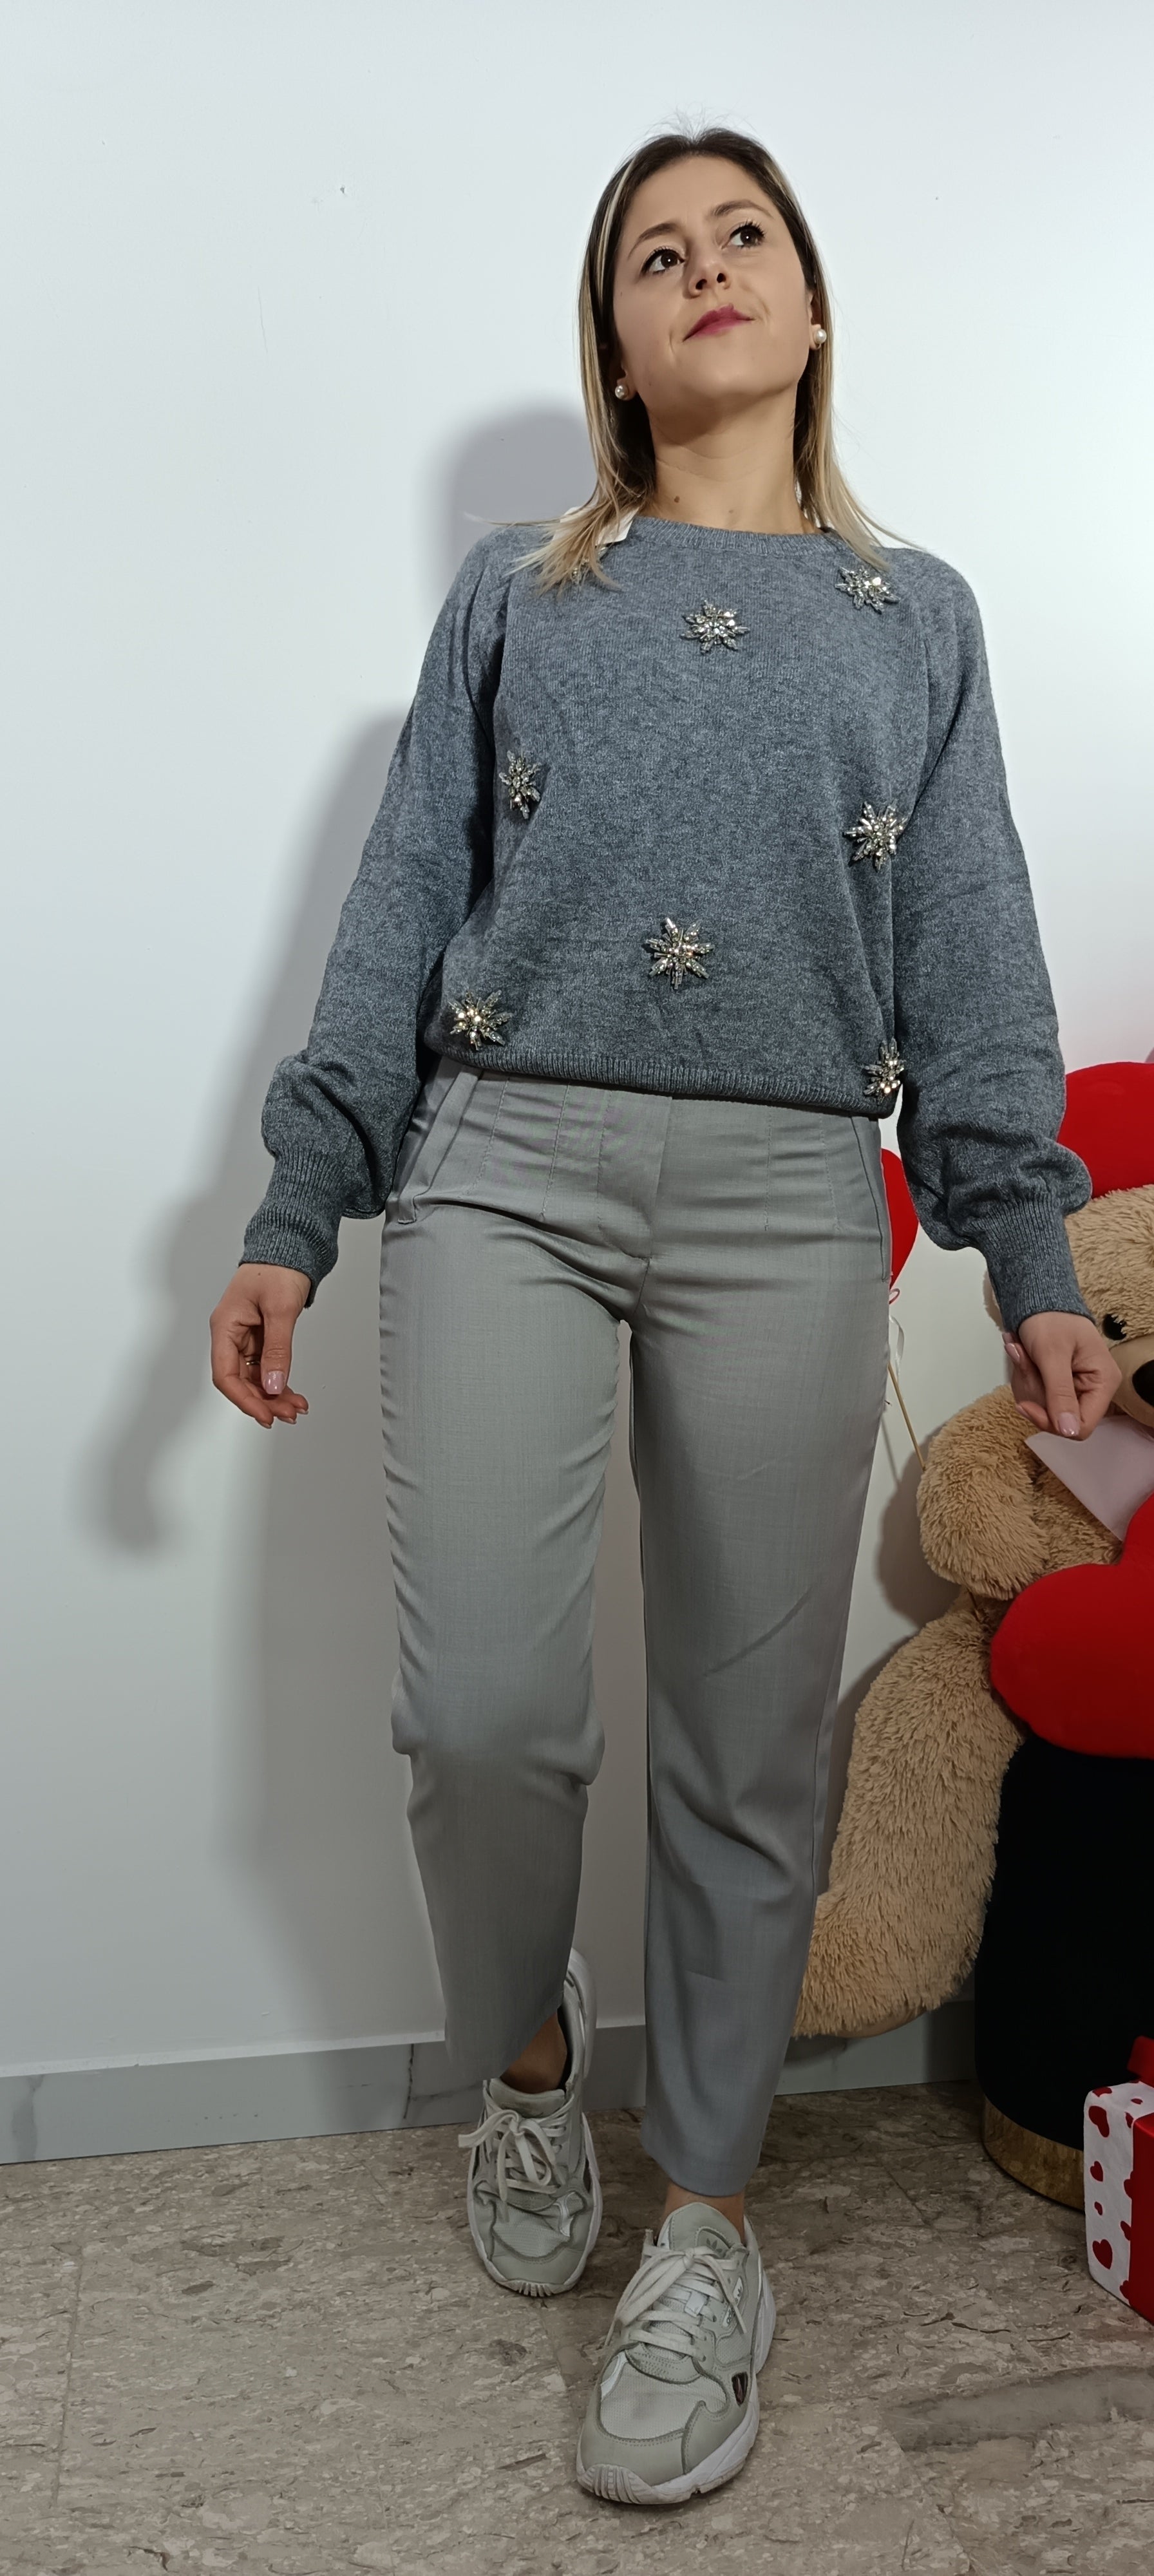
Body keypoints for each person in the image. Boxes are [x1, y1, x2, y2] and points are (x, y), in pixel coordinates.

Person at [210, 124, 1121, 2507]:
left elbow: (977, 956)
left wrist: (1032, 1254)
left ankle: (707, 2224)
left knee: (747, 1749)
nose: (704, 270)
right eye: (653, 253)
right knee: (485, 1716)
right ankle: (529, 2064)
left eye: (744, 239)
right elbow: (399, 908)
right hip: (501, 1166)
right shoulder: (521, 596)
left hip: (793, 1189)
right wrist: (300, 1204)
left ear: (810, 307)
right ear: (614, 344)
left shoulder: (916, 617)